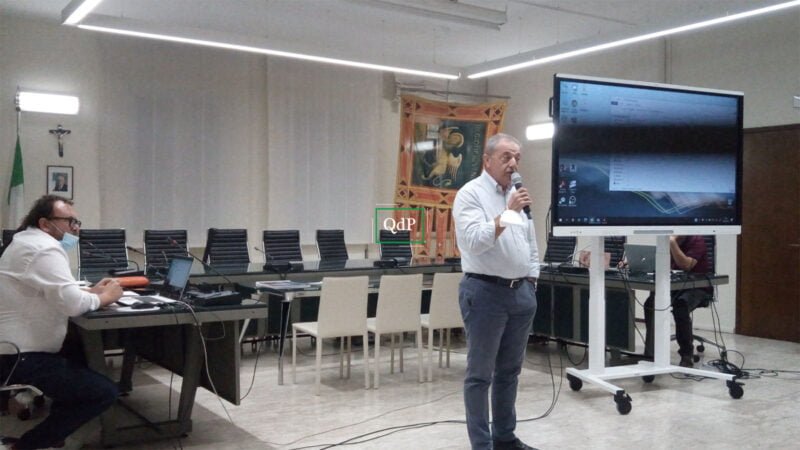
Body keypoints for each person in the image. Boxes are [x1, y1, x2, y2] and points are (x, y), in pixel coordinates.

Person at [0, 195, 122, 450]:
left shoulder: (26, 241)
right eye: (70, 221)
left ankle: (57, 434)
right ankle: (29, 445)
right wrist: (106, 297)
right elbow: (72, 305)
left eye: (77, 222)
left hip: (13, 348)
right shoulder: (44, 248)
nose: (75, 228)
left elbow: (52, 291)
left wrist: (90, 292)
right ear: (45, 224)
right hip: (21, 356)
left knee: (80, 352)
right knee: (104, 392)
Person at [453, 133, 539, 450]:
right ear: (487, 160)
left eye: (517, 157)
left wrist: (532, 280)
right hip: (485, 293)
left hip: (521, 293)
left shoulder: (516, 195)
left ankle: (505, 437)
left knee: (509, 372)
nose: (513, 163)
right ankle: (482, 444)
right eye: (506, 157)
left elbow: (530, 243)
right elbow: (474, 241)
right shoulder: (470, 194)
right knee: (480, 375)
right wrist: (509, 212)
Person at [643, 235, 712, 368]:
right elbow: (656, 261)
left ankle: (686, 354)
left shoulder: (697, 240)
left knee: (681, 305)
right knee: (651, 303)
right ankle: (651, 352)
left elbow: (686, 265)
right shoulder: (665, 241)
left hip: (697, 287)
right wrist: (634, 263)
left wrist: (672, 242)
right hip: (674, 286)